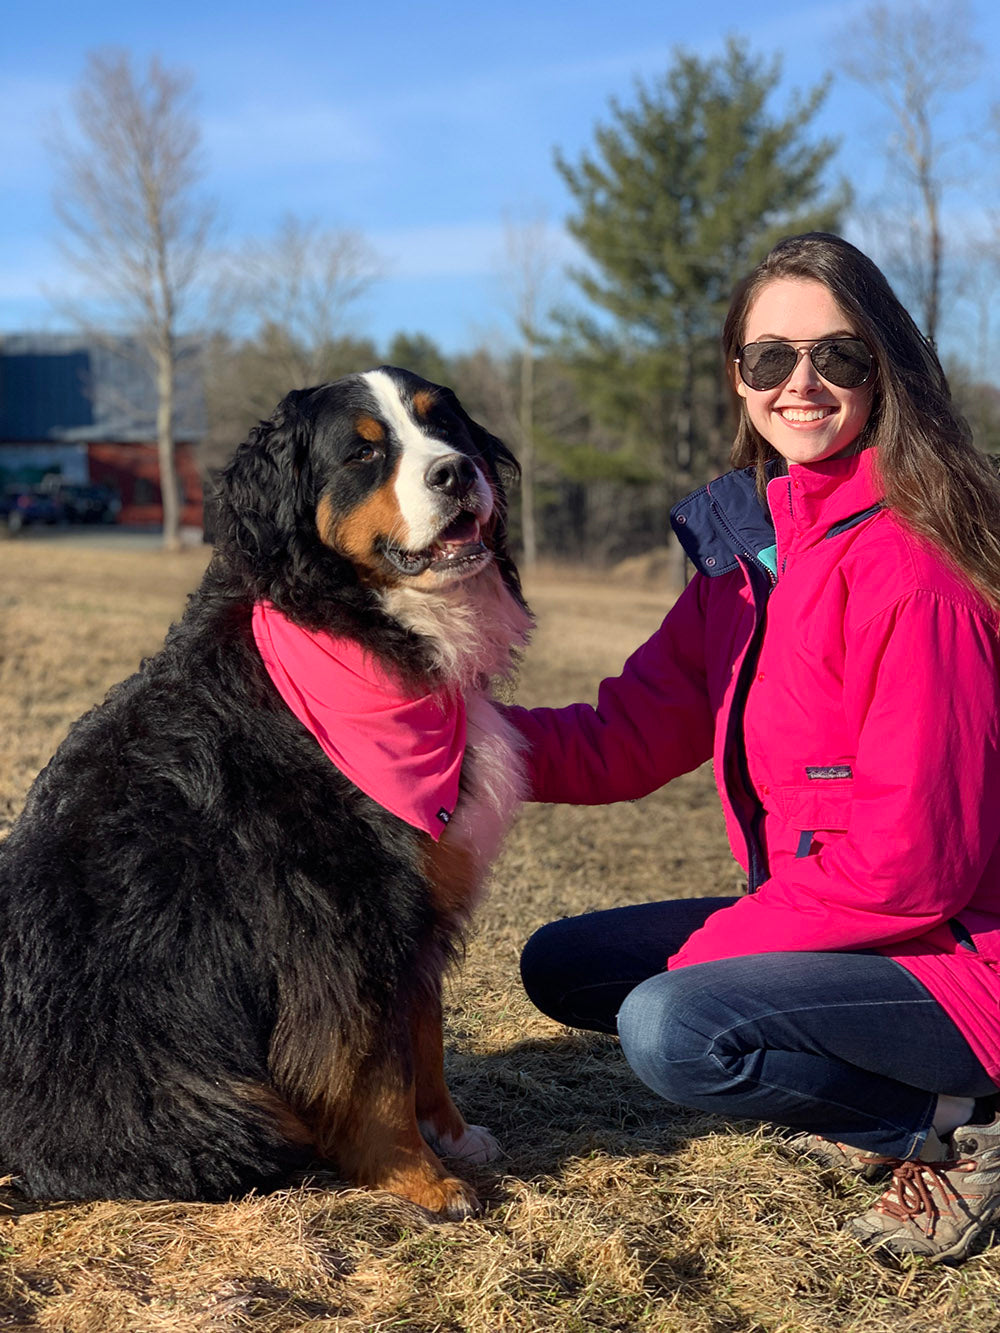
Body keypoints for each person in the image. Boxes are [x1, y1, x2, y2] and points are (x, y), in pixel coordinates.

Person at [509, 233, 1000, 1264]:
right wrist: (455, 740)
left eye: (839, 356)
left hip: (962, 956)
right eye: (771, 356)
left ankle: (957, 1124)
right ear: (738, 375)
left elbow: (913, 871)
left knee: (675, 1025)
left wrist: (714, 953)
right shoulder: (749, 562)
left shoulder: (918, 572)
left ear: (885, 371)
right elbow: (625, 737)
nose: (801, 383)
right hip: (850, 925)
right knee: (565, 965)